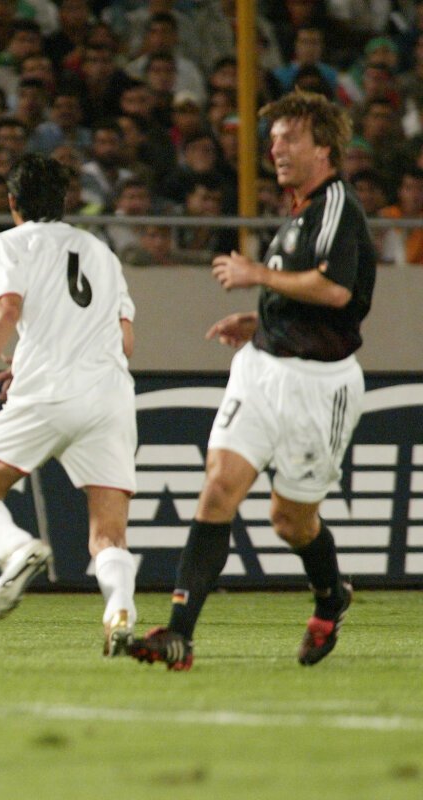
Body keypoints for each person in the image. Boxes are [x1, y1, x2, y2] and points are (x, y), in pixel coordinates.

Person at [127, 91, 377, 671]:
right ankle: (179, 635)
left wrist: (256, 274)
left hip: (319, 387)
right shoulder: (300, 210)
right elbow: (302, 291)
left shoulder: (337, 205)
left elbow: (336, 289)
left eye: (290, 138)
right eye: (274, 140)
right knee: (219, 486)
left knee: (291, 521)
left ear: (324, 147)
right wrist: (261, 319)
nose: (277, 149)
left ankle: (329, 598)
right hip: (262, 369)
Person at [0, 154, 138, 654]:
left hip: (47, 392)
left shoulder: (8, 243)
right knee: (108, 535)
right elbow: (125, 341)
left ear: (12, 202)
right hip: (110, 396)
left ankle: (16, 549)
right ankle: (120, 612)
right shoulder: (101, 252)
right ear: (65, 201)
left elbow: (7, 309)